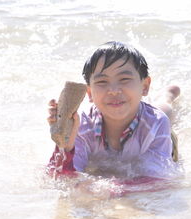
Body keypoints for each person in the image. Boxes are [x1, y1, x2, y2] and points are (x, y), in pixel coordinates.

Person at [47, 41, 182, 196]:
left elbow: (156, 179)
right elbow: (59, 178)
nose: (113, 90)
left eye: (124, 79)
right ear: (89, 93)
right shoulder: (82, 125)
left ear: (144, 86)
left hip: (154, 123)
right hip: (131, 111)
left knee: (165, 110)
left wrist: (112, 188)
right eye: (102, 82)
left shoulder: (156, 123)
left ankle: (168, 95)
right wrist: (66, 147)